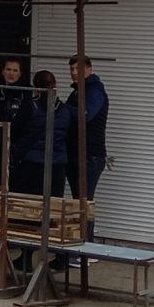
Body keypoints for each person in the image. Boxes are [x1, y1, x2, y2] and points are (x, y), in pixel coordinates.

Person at [59, 57, 109, 205]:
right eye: (72, 69)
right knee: (79, 201)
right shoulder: (77, 92)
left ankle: (85, 222)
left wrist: (61, 106)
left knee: (83, 203)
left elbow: (86, 114)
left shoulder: (94, 91)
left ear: (89, 69)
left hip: (89, 155)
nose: (74, 73)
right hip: (76, 154)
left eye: (78, 69)